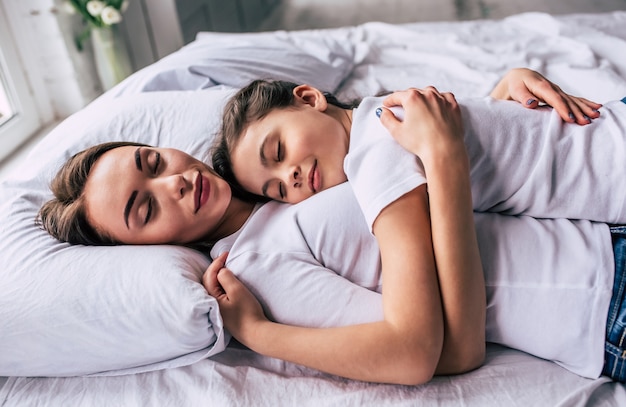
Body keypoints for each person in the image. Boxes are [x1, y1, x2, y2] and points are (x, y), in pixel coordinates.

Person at [36, 73, 619, 384]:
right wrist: (259, 333)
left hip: (595, 217)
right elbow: (425, 350)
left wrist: (500, 98)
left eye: (153, 163)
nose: (175, 185)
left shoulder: (299, 168)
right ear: (142, 250)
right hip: (603, 292)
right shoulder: (256, 264)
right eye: (145, 209)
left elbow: (464, 178)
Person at [214, 68, 626, 231]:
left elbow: (487, 144)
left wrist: (505, 88)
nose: (292, 177)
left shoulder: (380, 135)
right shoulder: (376, 143)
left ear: (308, 98)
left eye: (279, 151)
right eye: (279, 191)